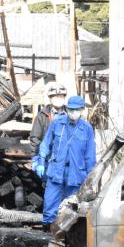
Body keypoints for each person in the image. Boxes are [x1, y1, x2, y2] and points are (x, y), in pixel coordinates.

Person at [36, 95, 96, 225]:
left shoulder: (87, 129)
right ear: (67, 109)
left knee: (72, 210)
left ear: (82, 110)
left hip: (76, 175)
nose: (73, 113)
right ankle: (48, 234)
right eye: (71, 110)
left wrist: (90, 179)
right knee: (49, 206)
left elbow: (90, 156)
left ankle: (67, 239)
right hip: (56, 172)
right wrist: (40, 162)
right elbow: (46, 144)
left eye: (76, 110)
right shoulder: (57, 123)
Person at [29, 83, 67, 154]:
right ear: (50, 98)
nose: (58, 99)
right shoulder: (42, 115)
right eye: (55, 97)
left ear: (64, 98)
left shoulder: (70, 114)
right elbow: (34, 139)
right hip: (47, 157)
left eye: (60, 96)